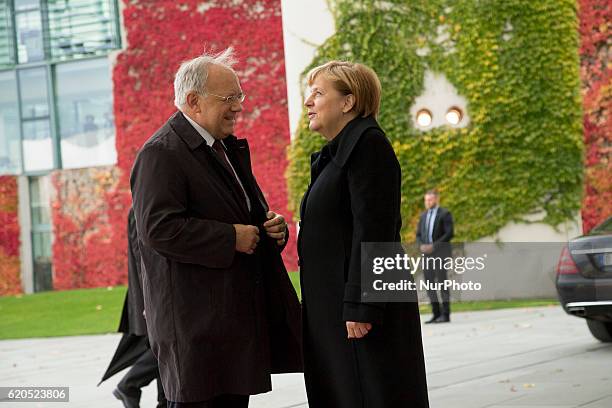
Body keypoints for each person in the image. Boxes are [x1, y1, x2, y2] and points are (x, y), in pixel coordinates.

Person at [130, 48, 302, 408]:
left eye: (239, 96)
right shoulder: (161, 153)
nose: (239, 106)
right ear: (193, 101)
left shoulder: (221, 147)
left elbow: (244, 214)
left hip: (229, 327)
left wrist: (270, 227)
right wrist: (231, 238)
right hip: (197, 331)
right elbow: (158, 229)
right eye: (229, 98)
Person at [298, 60, 430, 408]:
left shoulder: (367, 146)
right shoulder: (337, 154)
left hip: (359, 314)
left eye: (318, 93)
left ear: (348, 102)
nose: (308, 102)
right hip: (336, 311)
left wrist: (362, 305)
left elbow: (376, 230)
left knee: (372, 394)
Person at [99, 208, 166, 408]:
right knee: (166, 347)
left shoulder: (145, 205)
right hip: (151, 296)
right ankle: (129, 384)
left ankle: (163, 401)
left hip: (153, 295)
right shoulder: (142, 208)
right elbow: (142, 257)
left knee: (165, 351)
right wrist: (149, 299)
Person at [416, 190, 454, 323]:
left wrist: (434, 246)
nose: (428, 202)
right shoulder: (423, 216)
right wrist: (421, 245)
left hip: (440, 254)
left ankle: (446, 314)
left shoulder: (445, 214)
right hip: (426, 255)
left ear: (437, 199)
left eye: (430, 200)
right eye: (426, 200)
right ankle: (436, 313)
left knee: (442, 283)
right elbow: (418, 235)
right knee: (429, 284)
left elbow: (449, 233)